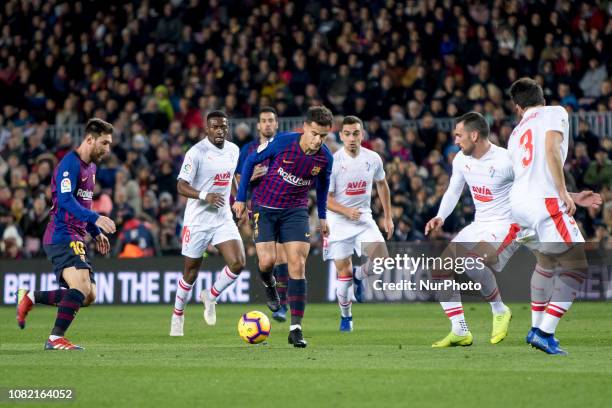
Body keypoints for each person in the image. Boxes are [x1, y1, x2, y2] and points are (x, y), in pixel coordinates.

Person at [507, 78, 602, 355]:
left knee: (546, 263)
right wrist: (563, 192)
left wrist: (569, 194)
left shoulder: (515, 134)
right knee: (577, 265)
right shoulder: (555, 112)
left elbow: (530, 175)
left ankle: (535, 329)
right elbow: (550, 148)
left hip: (520, 205)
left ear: (518, 108)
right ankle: (543, 332)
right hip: (544, 201)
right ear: (543, 100)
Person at [233, 106, 334, 348]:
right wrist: (240, 197)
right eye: (315, 134)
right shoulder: (282, 143)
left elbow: (322, 188)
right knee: (266, 262)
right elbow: (249, 162)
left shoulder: (325, 158)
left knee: (297, 263)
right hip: (265, 209)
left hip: (296, 212)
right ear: (305, 128)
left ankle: (296, 329)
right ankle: (270, 286)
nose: (318, 140)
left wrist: (322, 216)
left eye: (324, 136)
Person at [16, 118, 116, 350]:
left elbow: (85, 205)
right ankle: (55, 338)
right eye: (104, 143)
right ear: (90, 139)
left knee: (89, 295)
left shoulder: (91, 168)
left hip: (77, 235)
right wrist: (96, 218)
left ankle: (30, 297)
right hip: (62, 234)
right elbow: (64, 199)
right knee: (80, 288)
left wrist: (95, 230)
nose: (107, 149)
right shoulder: (69, 164)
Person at [425, 112, 517, 347]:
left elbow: (534, 185)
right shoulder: (460, 159)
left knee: (471, 261)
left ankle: (499, 310)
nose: (455, 141)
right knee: (440, 269)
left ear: (474, 135)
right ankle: (460, 331)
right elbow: (454, 190)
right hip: (479, 225)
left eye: (459, 135)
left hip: (505, 225)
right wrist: (440, 216)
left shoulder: (507, 161)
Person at [169, 111, 246, 336]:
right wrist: (205, 195)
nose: (219, 130)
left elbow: (232, 177)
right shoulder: (196, 153)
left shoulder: (234, 150)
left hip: (222, 217)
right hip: (198, 220)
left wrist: (239, 200)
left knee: (238, 263)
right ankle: (178, 315)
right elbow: (180, 185)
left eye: (223, 126)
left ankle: (210, 295)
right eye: (215, 127)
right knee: (190, 273)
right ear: (207, 129)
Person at [325, 116, 394, 332]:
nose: (352, 138)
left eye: (356, 133)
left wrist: (388, 216)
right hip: (338, 221)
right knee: (342, 278)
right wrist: (346, 211)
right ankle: (346, 317)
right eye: (347, 134)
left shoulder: (373, 158)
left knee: (382, 260)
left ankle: (359, 274)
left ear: (362, 134)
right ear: (341, 136)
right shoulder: (334, 162)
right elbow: (325, 199)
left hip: (363, 218)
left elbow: (382, 184)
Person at [235, 107, 289, 322]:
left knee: (283, 256)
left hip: (284, 206)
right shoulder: (248, 150)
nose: (267, 124)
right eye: (263, 120)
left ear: (277, 124)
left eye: (271, 120)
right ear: (258, 125)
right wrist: (251, 177)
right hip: (259, 207)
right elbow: (238, 180)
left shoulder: (284, 146)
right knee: (267, 260)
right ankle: (272, 289)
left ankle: (282, 305)